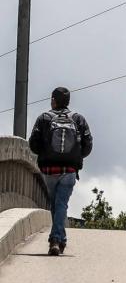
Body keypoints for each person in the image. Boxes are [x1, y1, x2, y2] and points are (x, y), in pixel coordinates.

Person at [29, 87, 93, 256]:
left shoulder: (44, 118)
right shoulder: (78, 119)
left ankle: (56, 239)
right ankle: (58, 239)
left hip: (49, 169)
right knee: (61, 204)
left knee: (56, 204)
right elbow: (88, 146)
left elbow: (33, 145)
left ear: (53, 100)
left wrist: (46, 151)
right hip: (69, 170)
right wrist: (75, 156)